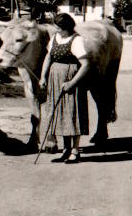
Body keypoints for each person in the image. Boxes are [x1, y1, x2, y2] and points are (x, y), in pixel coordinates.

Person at [38, 13, 90, 164]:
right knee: (59, 114)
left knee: (72, 113)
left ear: (65, 27)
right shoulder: (55, 38)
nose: (55, 29)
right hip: (55, 79)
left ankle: (75, 151)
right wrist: (43, 77)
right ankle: (66, 150)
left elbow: (85, 64)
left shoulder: (77, 40)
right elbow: (49, 57)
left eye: (58, 27)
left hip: (70, 79)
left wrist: (71, 83)